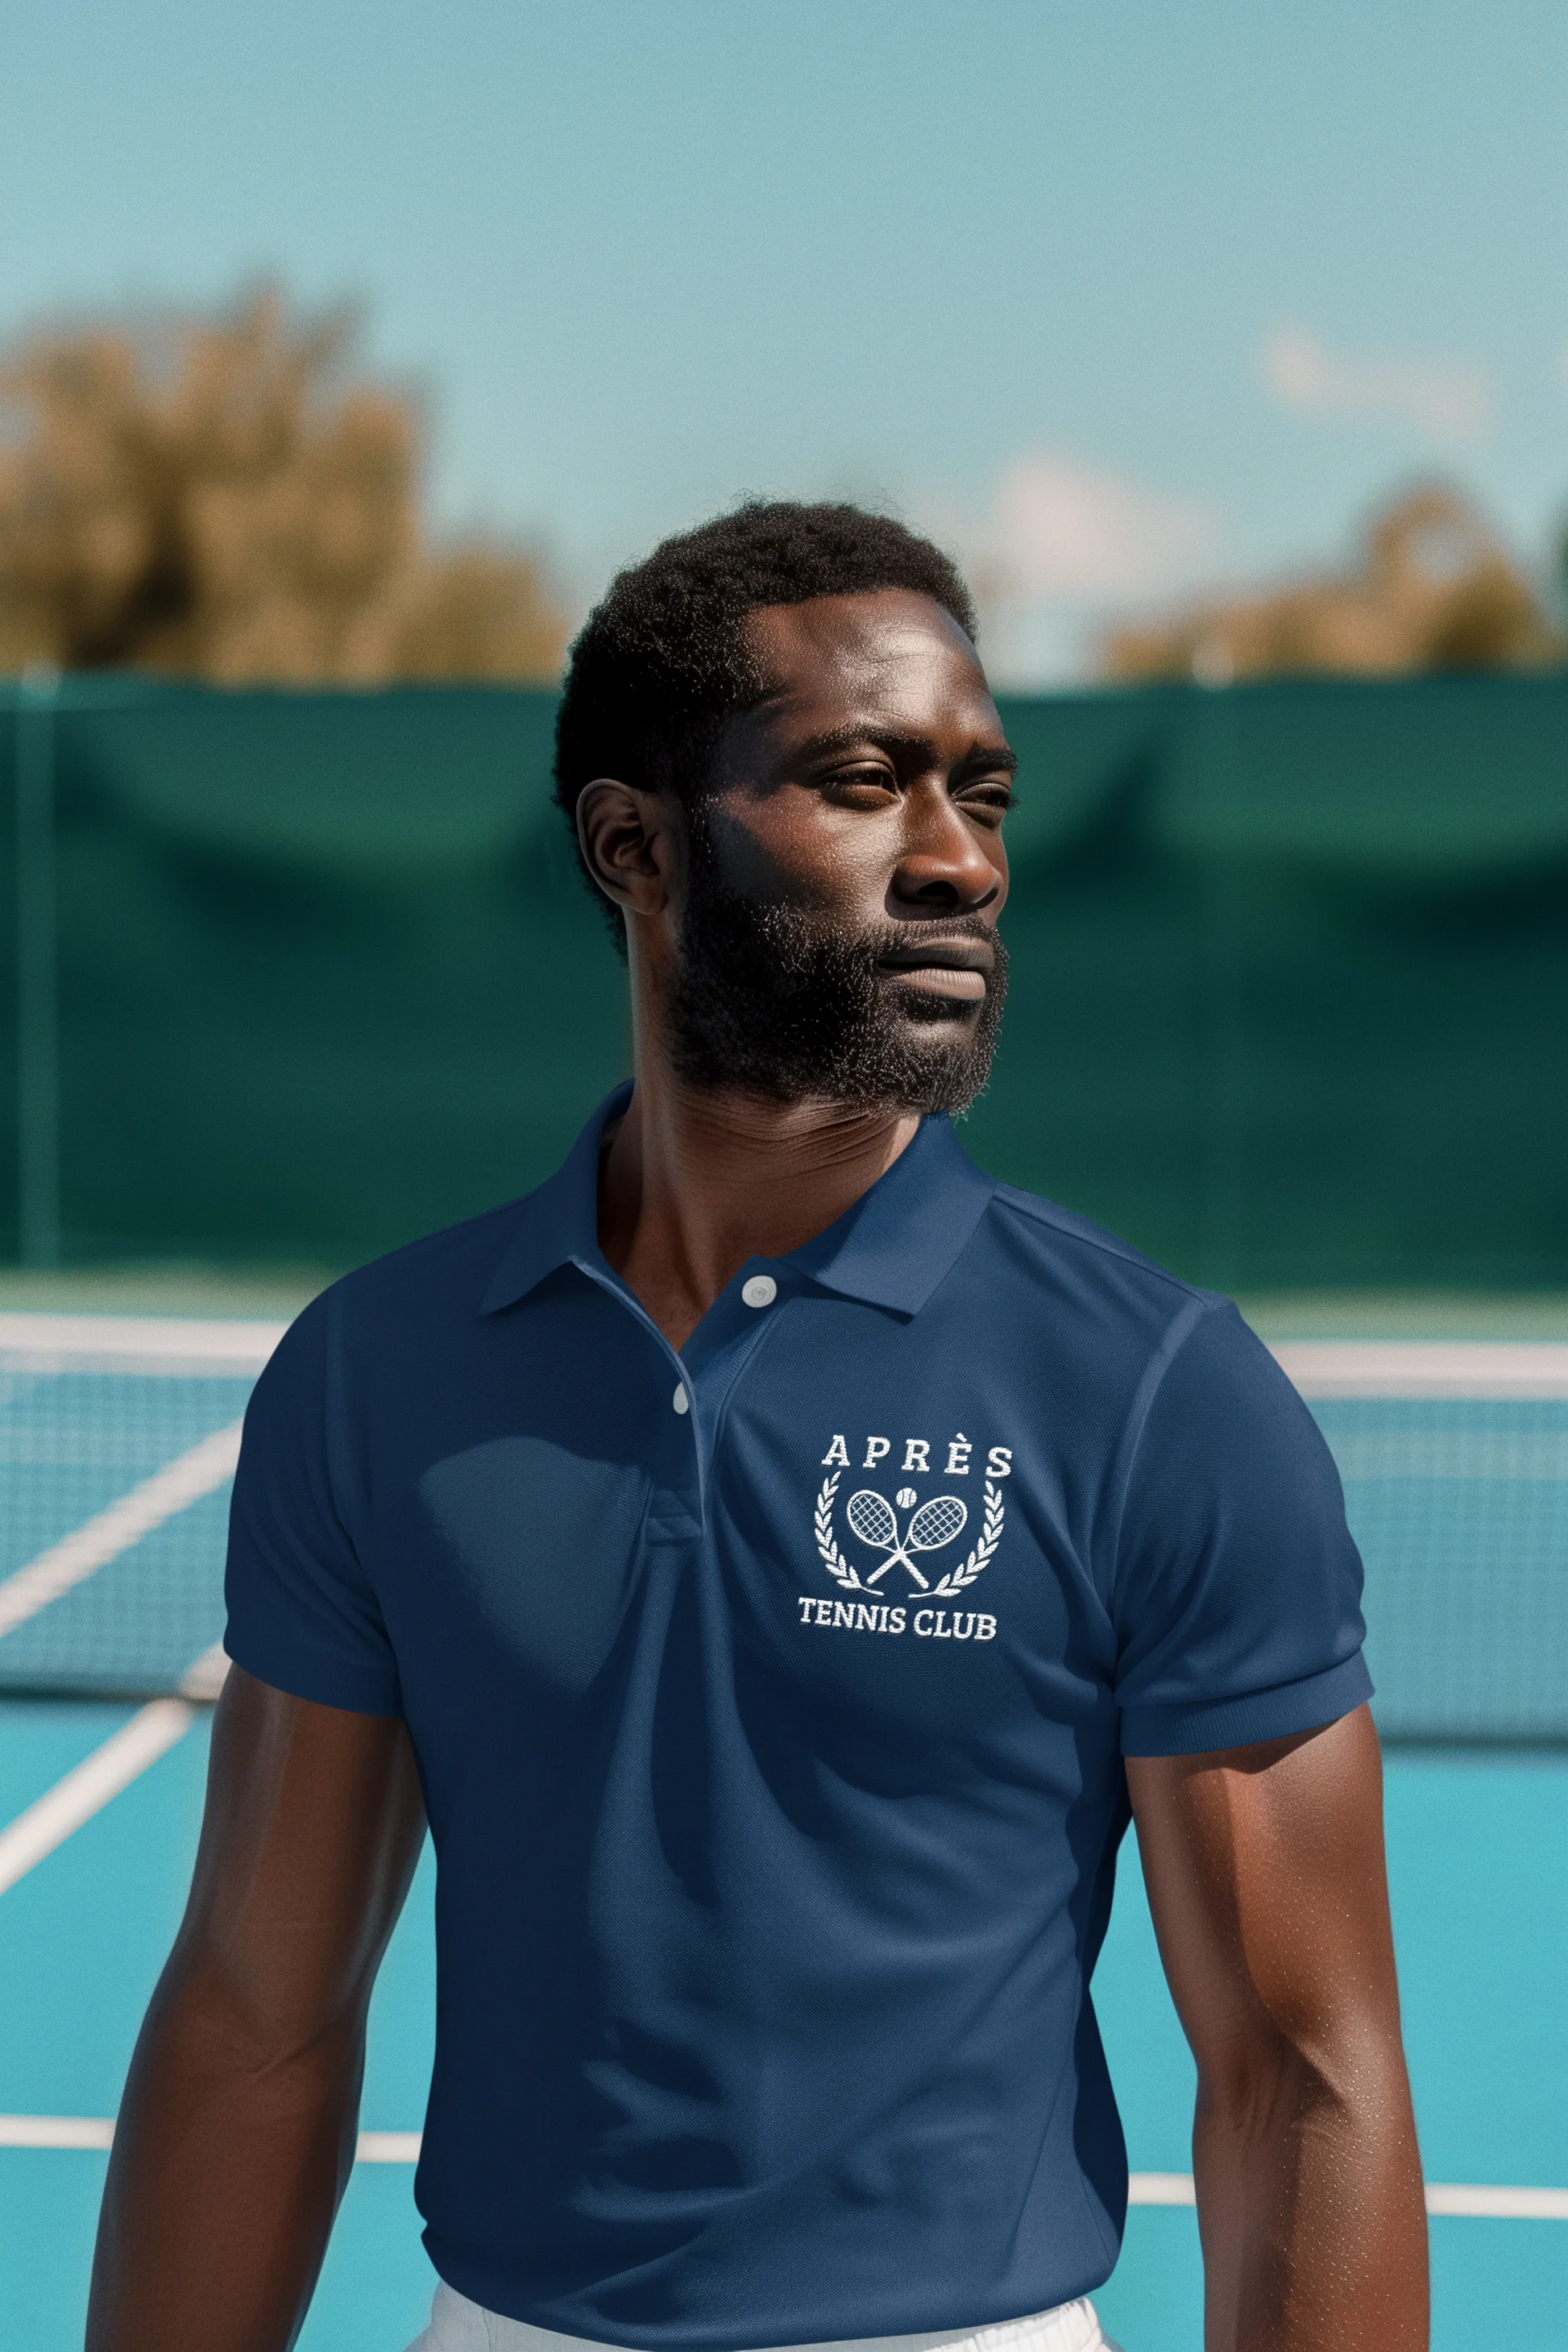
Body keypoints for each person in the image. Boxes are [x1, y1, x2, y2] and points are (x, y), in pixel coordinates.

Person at [87, 503, 1429, 2352]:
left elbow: (1304, 2072)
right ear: (633, 845)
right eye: (865, 780)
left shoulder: (1158, 1392)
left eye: (986, 792)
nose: (958, 857)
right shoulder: (372, 1372)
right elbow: (256, 2010)